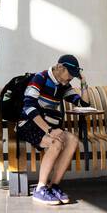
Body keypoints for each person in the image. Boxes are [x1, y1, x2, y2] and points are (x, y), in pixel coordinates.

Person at [18, 54, 88, 205]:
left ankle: (53, 185)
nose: (70, 79)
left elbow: (83, 104)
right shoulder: (40, 78)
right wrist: (49, 130)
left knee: (73, 140)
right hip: (28, 124)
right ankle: (40, 189)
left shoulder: (63, 85)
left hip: (48, 126)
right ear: (60, 67)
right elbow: (28, 107)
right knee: (56, 143)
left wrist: (83, 82)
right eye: (70, 75)